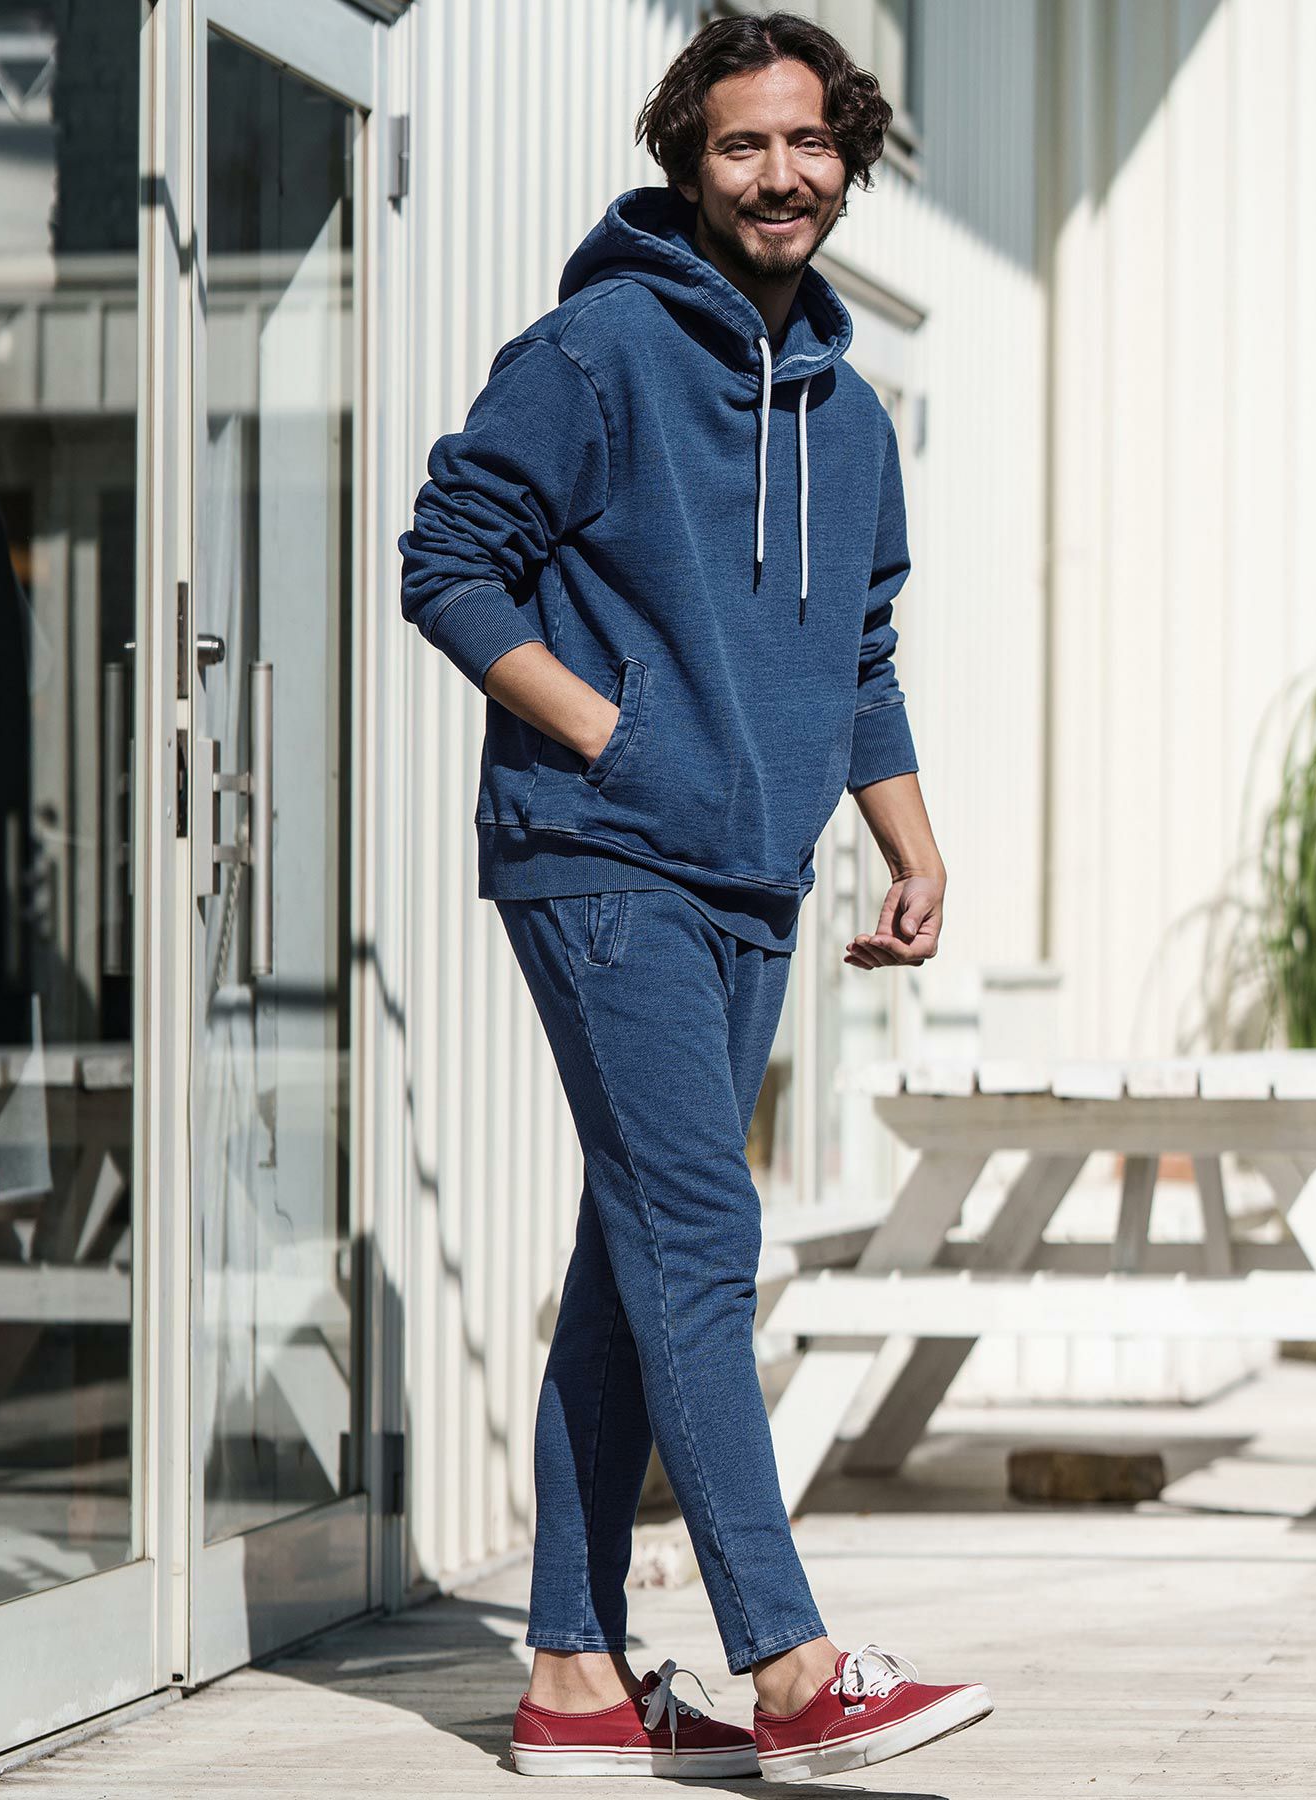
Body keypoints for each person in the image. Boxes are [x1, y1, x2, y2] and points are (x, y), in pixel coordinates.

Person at [399, 9, 991, 1783]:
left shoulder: (855, 420)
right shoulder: (598, 351)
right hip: (600, 858)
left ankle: (574, 1679)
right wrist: (615, 734)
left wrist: (912, 846)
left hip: (752, 880)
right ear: (690, 160)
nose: (779, 174)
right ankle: (792, 1670)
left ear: (849, 159)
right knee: (701, 1234)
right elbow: (448, 559)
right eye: (742, 144)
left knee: (635, 1249)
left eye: (807, 143)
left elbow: (858, 658)